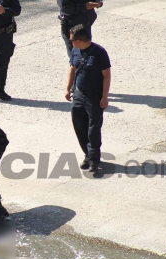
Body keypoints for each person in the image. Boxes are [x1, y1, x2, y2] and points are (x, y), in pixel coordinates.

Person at [65, 24, 111, 172]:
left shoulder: (99, 52)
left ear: (80, 40)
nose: (70, 42)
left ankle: (93, 160)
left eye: (72, 40)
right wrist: (68, 88)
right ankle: (87, 154)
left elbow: (106, 75)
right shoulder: (75, 51)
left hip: (94, 97)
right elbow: (72, 69)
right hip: (78, 94)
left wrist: (105, 97)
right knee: (79, 125)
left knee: (93, 129)